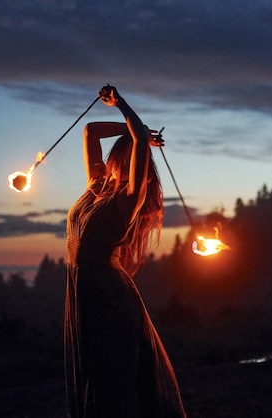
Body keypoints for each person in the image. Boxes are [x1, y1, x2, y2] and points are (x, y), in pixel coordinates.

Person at [64, 85, 187, 418]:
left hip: (109, 296)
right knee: (93, 372)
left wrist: (124, 109)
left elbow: (135, 145)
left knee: (114, 378)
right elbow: (90, 131)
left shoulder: (130, 199)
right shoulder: (96, 186)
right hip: (83, 290)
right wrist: (137, 132)